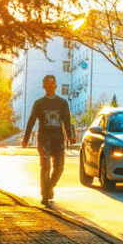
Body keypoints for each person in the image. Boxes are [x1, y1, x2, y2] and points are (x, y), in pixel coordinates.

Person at [23, 75, 76, 206]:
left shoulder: (62, 103)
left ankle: (50, 187)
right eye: (48, 83)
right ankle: (45, 195)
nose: (51, 85)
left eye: (53, 83)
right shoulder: (39, 103)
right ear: (44, 86)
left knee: (59, 168)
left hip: (58, 140)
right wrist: (26, 139)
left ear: (56, 85)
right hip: (44, 139)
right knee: (46, 166)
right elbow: (31, 121)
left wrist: (69, 136)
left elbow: (66, 120)